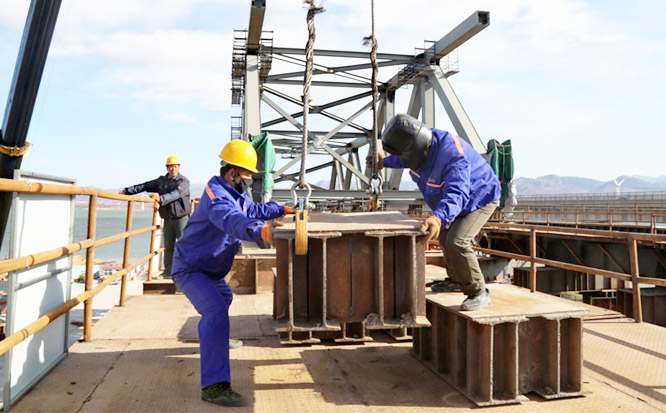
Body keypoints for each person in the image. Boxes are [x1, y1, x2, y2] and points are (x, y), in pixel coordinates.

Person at [171, 139, 294, 407]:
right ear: (233, 173)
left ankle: (217, 338)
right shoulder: (217, 196)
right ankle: (214, 386)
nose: (250, 181)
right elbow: (232, 219)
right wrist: (261, 232)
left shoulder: (236, 194)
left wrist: (281, 209)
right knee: (215, 311)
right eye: (248, 176)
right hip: (191, 268)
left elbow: (253, 209)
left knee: (224, 299)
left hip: (212, 270)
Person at [376, 114, 501, 311]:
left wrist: (438, 217)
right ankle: (456, 281)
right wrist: (385, 162)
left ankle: (478, 292)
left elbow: (457, 192)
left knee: (457, 241)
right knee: (444, 239)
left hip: (480, 198)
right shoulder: (418, 147)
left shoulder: (453, 155)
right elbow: (404, 160)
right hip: (455, 201)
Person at [120, 156, 190, 279]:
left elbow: (176, 194)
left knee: (185, 246)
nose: (173, 169)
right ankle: (168, 272)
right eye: (170, 166)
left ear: (179, 167)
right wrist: (127, 191)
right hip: (167, 219)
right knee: (168, 247)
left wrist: (160, 198)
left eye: (175, 166)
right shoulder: (161, 181)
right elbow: (145, 186)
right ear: (167, 168)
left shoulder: (184, 182)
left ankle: (189, 272)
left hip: (181, 218)